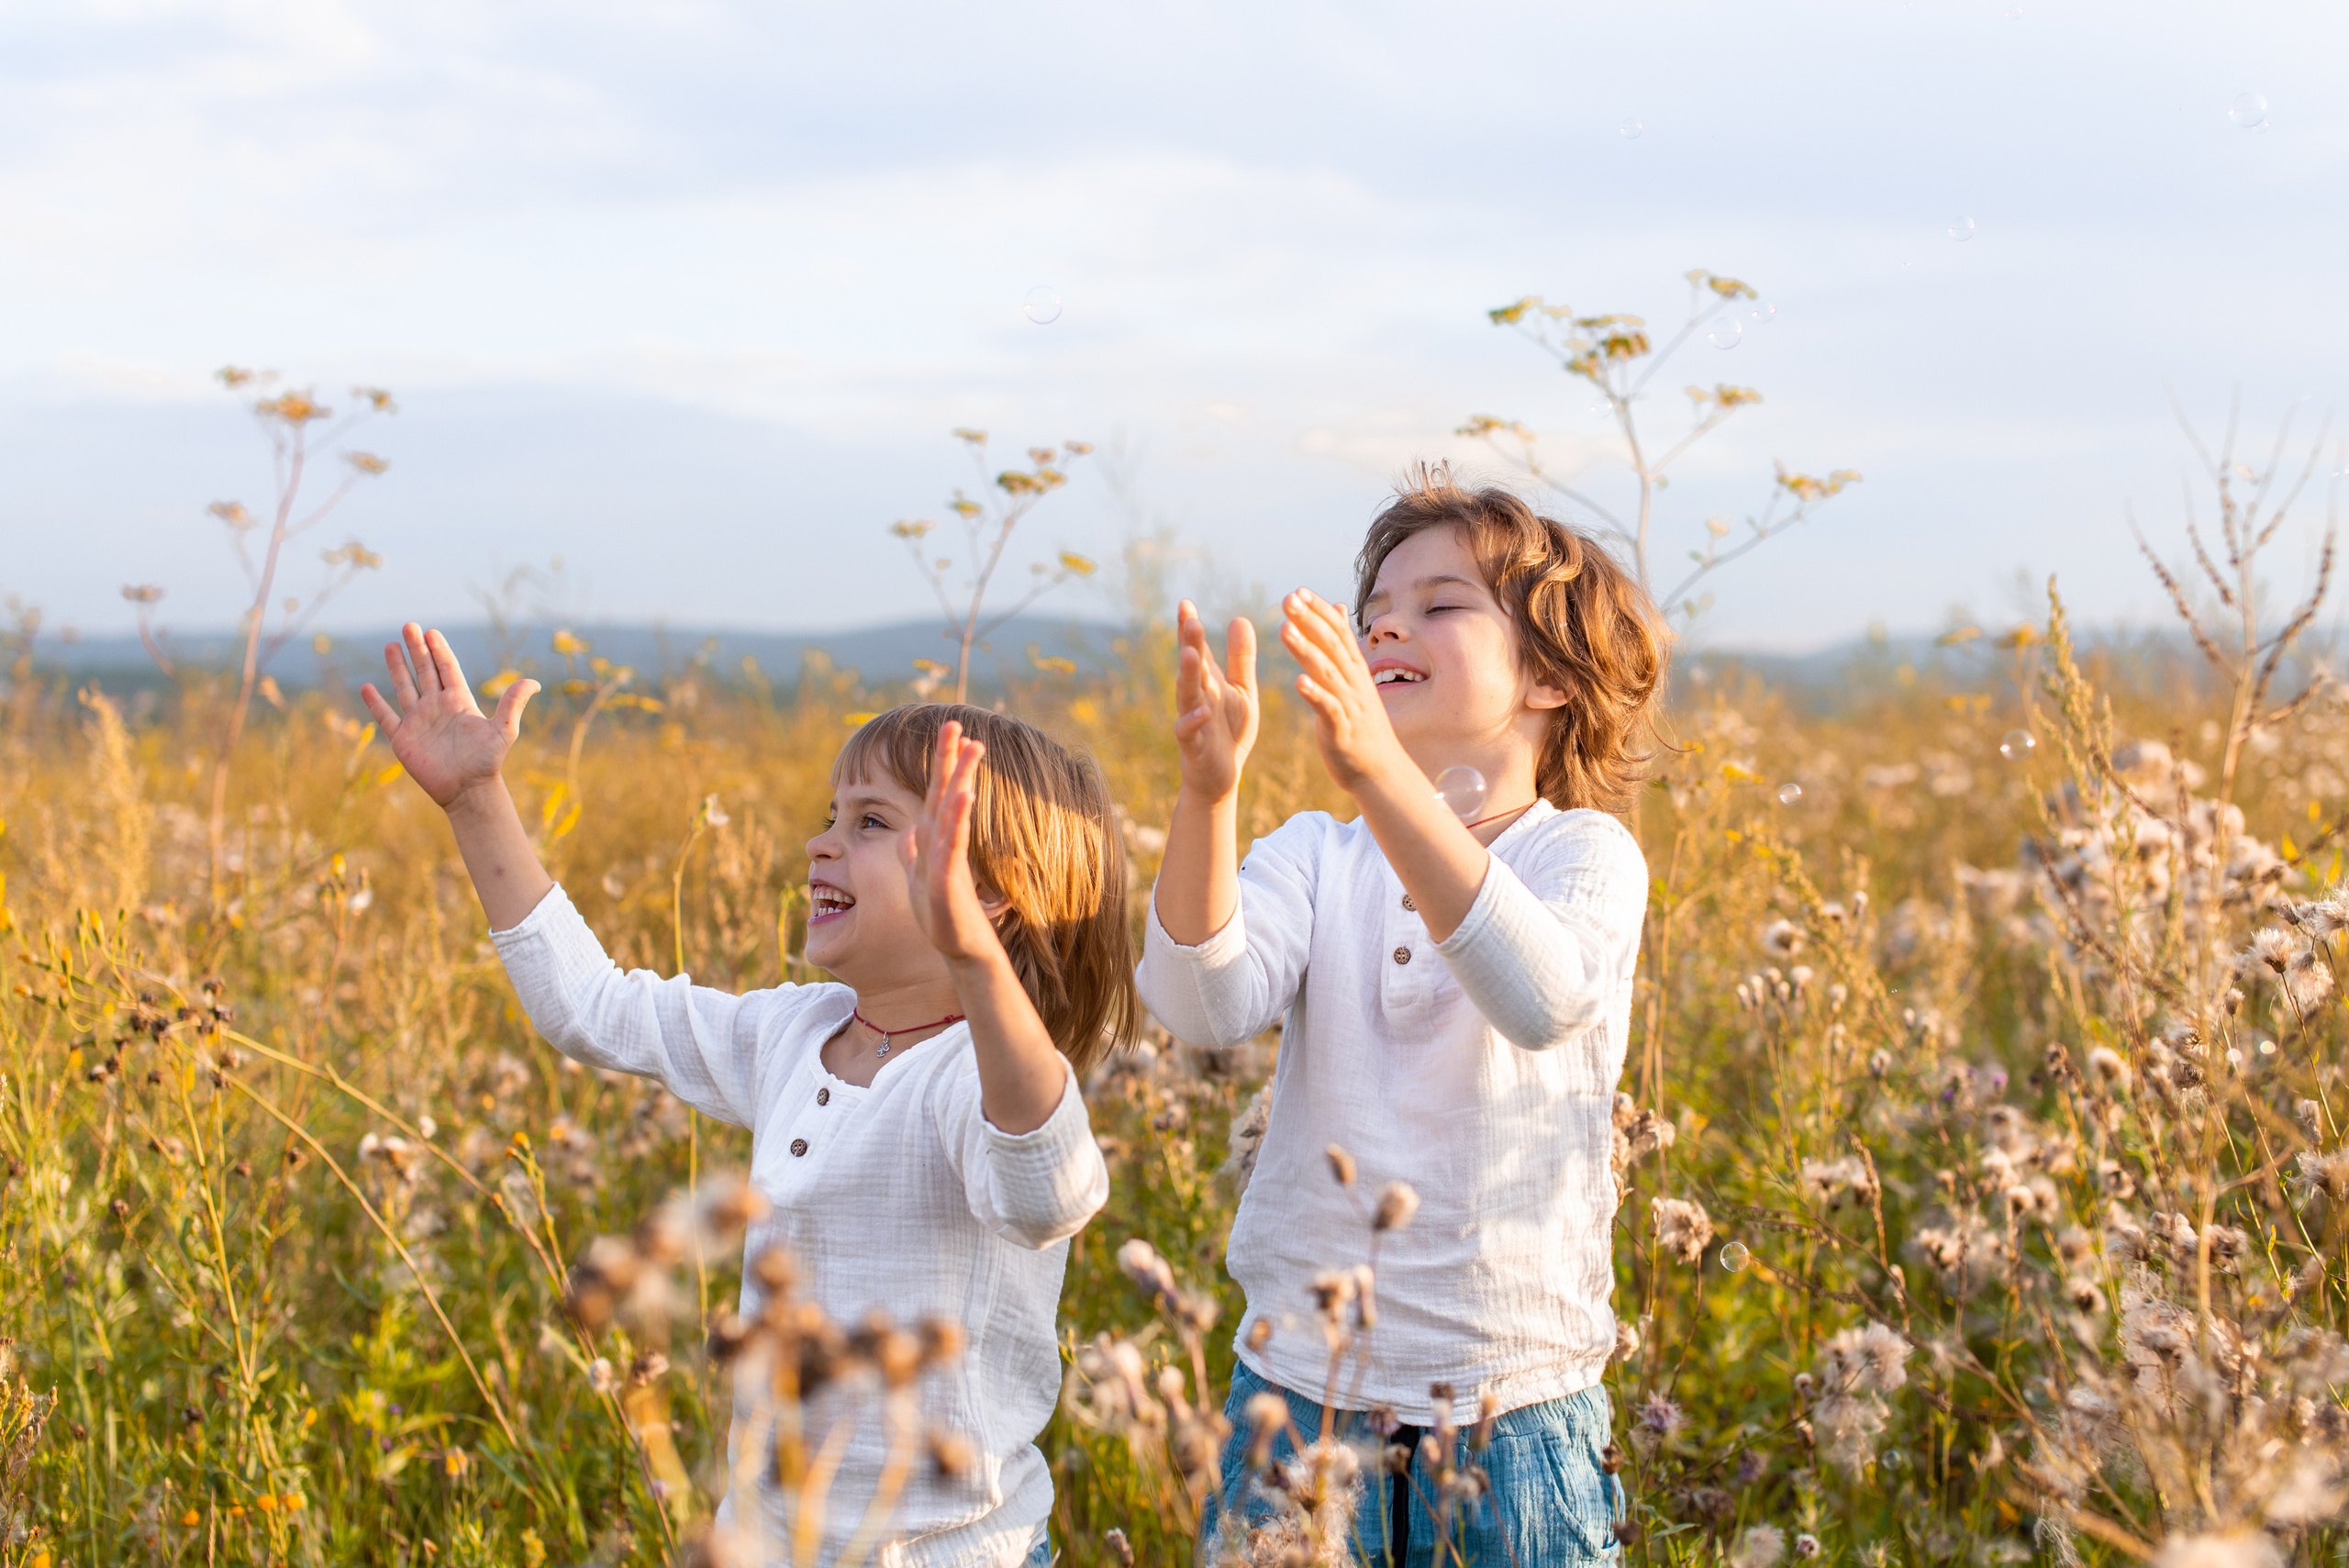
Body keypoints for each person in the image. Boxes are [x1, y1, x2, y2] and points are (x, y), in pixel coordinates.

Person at [362, 624, 1134, 1566]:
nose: (820, 843)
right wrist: (478, 801)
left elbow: (1049, 1191)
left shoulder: (973, 1071)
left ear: (990, 892)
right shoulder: (794, 1032)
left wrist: (973, 960)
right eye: (832, 814)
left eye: (871, 823)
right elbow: (595, 1008)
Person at [1141, 476, 1667, 1564]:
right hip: (1295, 1396)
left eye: (1441, 603)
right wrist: (1207, 793)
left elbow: (1539, 997)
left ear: (1554, 678)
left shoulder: (1582, 855)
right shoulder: (1315, 853)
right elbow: (1201, 1002)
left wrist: (1378, 768)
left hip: (1511, 1405)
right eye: (1375, 603)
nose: (1385, 621)